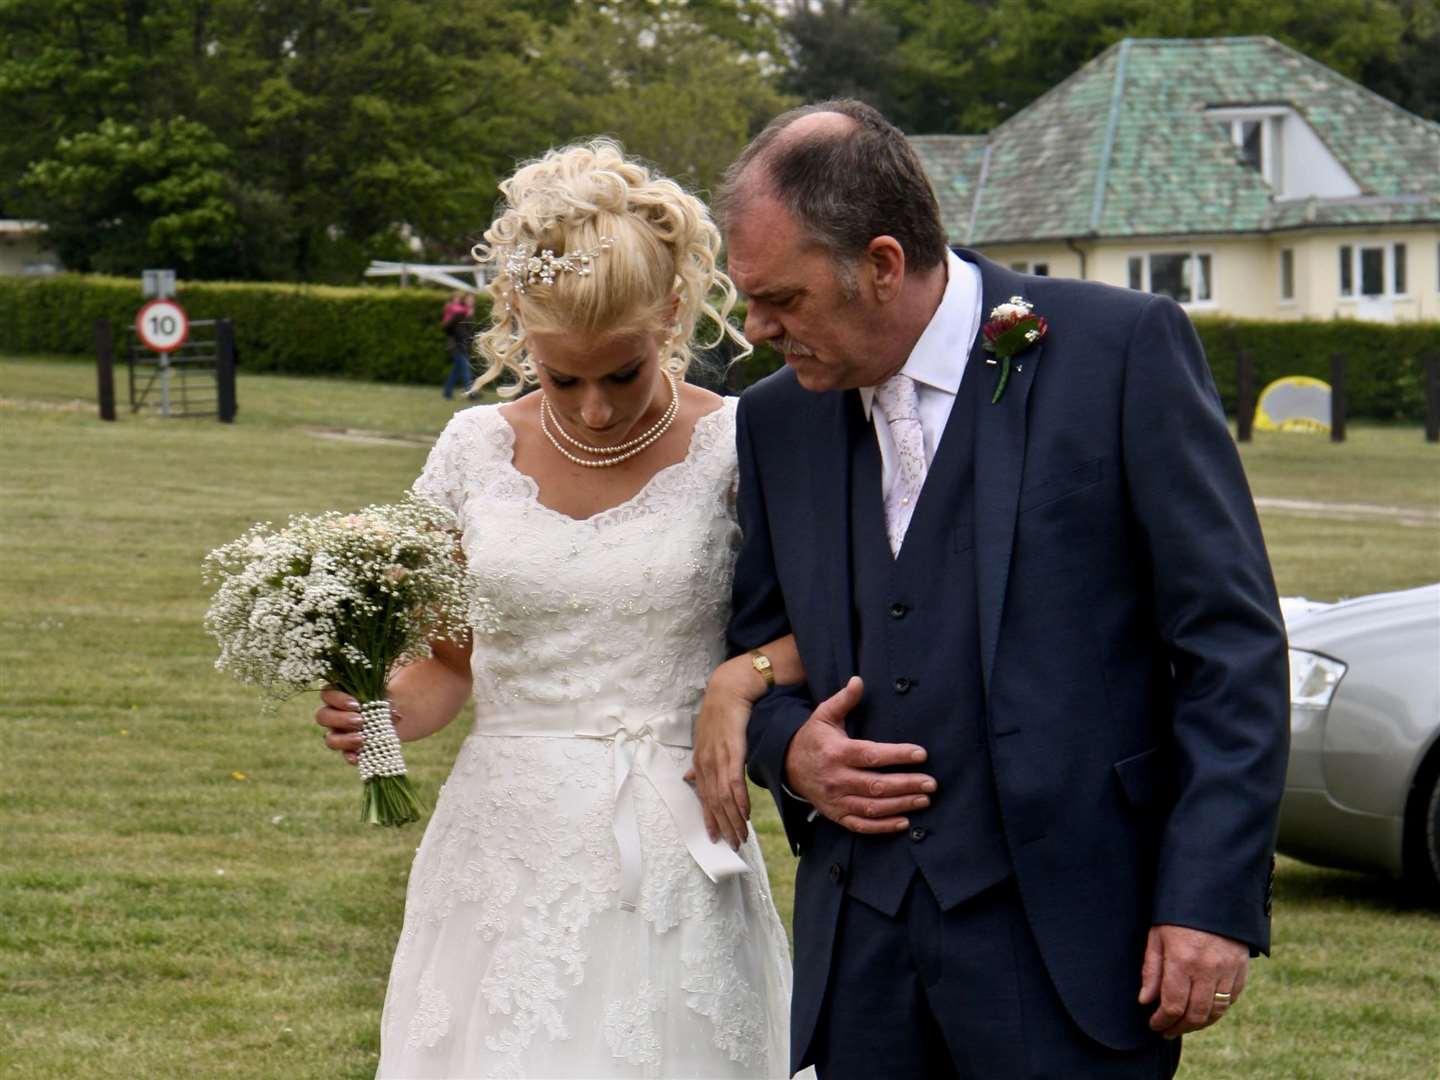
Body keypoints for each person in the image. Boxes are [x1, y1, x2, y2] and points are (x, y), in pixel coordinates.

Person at [710, 100, 1290, 1079]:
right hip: (862, 951)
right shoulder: (776, 421)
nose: (758, 330)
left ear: (883, 265)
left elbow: (1229, 648)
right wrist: (791, 750)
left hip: (1071, 940)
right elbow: (761, 641)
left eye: (785, 301)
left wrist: (1206, 901)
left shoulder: (1119, 353)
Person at [315, 139, 804, 1078]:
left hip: (675, 847)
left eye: (621, 374)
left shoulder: (741, 446)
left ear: (669, 315)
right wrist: (378, 720)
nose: (592, 410)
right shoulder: (470, 451)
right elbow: (448, 663)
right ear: (516, 332)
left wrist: (737, 687)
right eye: (559, 376)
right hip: (502, 850)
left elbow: (832, 621)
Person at [440, 291, 476, 399]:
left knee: (456, 371)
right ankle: (471, 393)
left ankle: (447, 392)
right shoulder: (459, 311)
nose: (471, 301)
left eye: (472, 299)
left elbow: (468, 330)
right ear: (464, 300)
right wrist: (459, 338)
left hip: (462, 345)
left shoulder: (467, 312)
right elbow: (448, 327)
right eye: (469, 299)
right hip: (457, 346)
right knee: (465, 371)